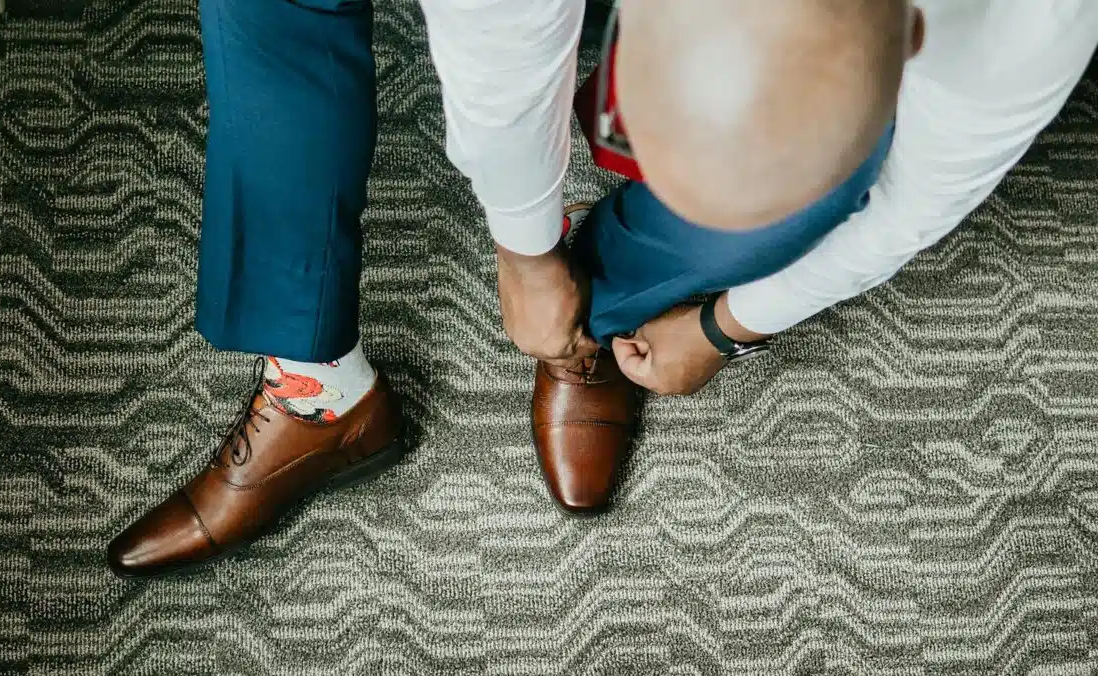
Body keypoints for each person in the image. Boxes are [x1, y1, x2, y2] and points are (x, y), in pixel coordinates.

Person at [106, 0, 1098, 578]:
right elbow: (499, 65)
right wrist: (524, 245)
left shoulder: (1026, 23)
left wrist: (727, 321)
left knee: (815, 172)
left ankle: (607, 317)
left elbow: (912, 205)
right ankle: (321, 388)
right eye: (624, 136)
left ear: (915, 29)